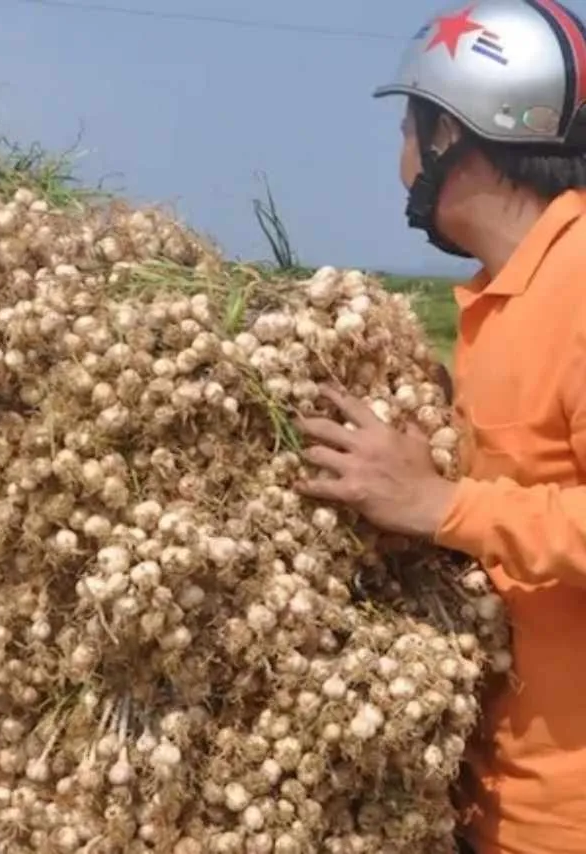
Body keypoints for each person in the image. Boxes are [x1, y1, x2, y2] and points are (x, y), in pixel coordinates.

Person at [294, 0, 586, 852]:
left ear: (456, 136)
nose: (399, 164)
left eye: (410, 132)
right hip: (500, 805)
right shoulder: (509, 298)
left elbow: (470, 506)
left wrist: (437, 503)